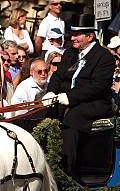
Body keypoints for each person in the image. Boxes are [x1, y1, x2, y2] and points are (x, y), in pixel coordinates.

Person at [45, 14, 116, 176]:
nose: (73, 37)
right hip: (64, 98)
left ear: (90, 36)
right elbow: (57, 76)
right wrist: (50, 92)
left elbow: (97, 87)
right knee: (45, 113)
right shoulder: (70, 53)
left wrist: (70, 97)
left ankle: (68, 171)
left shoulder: (104, 57)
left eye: (77, 34)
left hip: (92, 102)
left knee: (73, 117)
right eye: (72, 34)